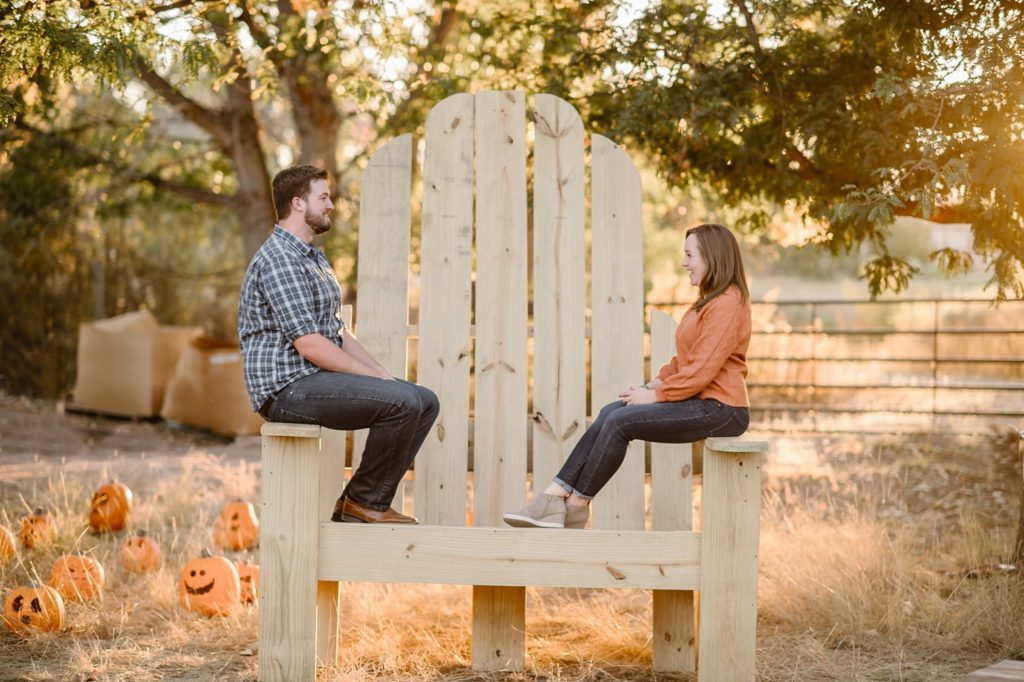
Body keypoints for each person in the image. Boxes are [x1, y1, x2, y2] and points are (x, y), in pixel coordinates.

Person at [504, 222, 751, 529]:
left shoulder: (728, 302)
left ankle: (576, 506)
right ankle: (553, 497)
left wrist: (657, 396)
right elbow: (684, 361)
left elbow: (702, 370)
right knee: (612, 411)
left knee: (621, 423)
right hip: (703, 403)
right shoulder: (707, 303)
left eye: (689, 255)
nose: (683, 262)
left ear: (712, 256)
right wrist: (652, 385)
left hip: (723, 410)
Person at [238, 164, 438, 524]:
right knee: (402, 403)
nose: (331, 205)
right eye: (324, 197)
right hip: (286, 389)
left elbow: (337, 332)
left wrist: (380, 373)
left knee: (423, 401)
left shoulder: (311, 257)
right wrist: (371, 379)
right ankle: (365, 504)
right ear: (298, 204)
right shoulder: (279, 259)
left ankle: (360, 502)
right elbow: (311, 345)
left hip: (310, 379)